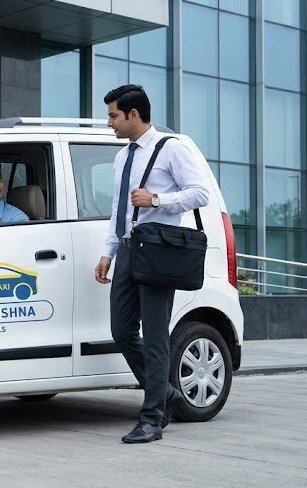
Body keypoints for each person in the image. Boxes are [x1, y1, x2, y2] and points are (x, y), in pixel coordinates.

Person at [92, 84, 211, 444]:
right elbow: (120, 209)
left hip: (158, 250)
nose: (109, 122)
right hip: (129, 249)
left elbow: (200, 192)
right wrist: (108, 251)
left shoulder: (171, 148)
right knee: (122, 331)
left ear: (133, 115)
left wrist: (157, 199)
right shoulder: (121, 156)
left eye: (113, 115)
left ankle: (153, 418)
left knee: (157, 337)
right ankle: (168, 395)